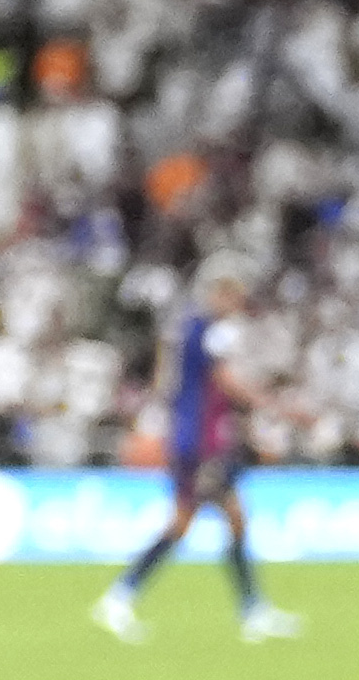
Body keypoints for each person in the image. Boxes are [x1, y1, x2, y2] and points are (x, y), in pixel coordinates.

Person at [97, 274, 301, 645]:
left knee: (203, 520)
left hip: (191, 438)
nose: (237, 305)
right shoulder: (210, 332)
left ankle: (123, 597)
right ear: (219, 295)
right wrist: (273, 405)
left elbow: (169, 379)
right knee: (214, 519)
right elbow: (223, 381)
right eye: (234, 296)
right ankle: (249, 611)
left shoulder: (187, 329)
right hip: (201, 443)